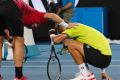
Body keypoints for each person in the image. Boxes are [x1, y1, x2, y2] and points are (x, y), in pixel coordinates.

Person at [0, 0, 71, 80]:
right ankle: (19, 77)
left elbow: (4, 31)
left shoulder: (23, 18)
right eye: (34, 27)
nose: (34, 27)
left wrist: (10, 40)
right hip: (11, 5)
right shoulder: (35, 15)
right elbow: (52, 16)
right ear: (36, 23)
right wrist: (66, 25)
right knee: (19, 41)